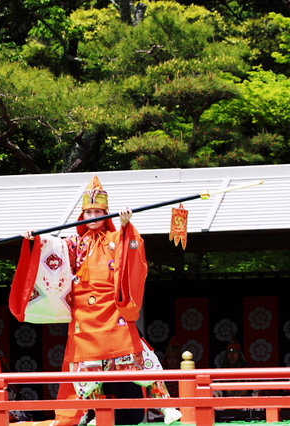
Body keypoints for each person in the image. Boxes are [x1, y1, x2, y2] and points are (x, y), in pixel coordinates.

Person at [12, 176, 182, 425]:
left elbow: (133, 249)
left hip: (113, 309)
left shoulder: (115, 239)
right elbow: (50, 251)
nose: (93, 214)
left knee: (137, 358)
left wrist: (126, 226)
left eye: (98, 211)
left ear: (106, 214)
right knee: (89, 367)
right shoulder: (74, 243)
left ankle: (166, 406)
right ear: (82, 215)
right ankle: (93, 411)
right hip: (83, 314)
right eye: (89, 211)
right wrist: (32, 240)